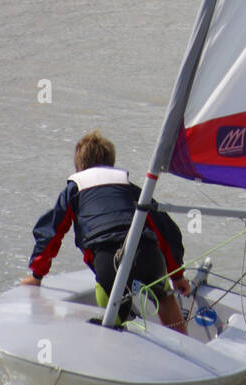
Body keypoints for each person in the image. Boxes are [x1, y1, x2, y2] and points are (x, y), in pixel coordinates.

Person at [21, 130, 190, 332]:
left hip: (108, 262)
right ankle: (184, 342)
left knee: (112, 315)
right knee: (164, 295)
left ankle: (116, 345)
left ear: (79, 166)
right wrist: (177, 275)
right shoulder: (130, 188)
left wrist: (36, 276)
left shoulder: (74, 190)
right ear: (111, 162)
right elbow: (166, 229)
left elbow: (51, 232)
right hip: (148, 254)